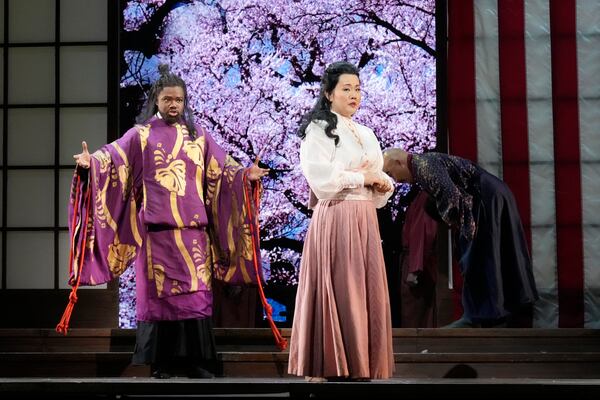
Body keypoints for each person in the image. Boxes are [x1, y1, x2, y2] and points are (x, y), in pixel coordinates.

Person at [60, 64, 269, 378]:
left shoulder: (199, 138)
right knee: (161, 304)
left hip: (193, 234)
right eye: (168, 99)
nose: (174, 105)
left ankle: (197, 363)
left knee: (196, 301)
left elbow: (223, 170)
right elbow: (112, 158)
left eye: (179, 100)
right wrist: (92, 162)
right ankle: (162, 365)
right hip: (156, 236)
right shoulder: (140, 135)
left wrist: (245, 176)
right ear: (155, 101)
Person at [287, 61, 395, 381]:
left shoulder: (366, 133)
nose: (354, 95)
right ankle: (328, 365)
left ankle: (359, 364)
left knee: (363, 291)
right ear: (328, 93)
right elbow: (322, 180)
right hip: (336, 215)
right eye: (346, 89)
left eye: (357, 89)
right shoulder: (319, 128)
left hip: (363, 217)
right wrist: (361, 176)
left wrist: (381, 184)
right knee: (341, 286)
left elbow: (374, 181)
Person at [382, 148, 539, 328]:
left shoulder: (422, 165)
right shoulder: (425, 164)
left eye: (390, 173)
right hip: (489, 194)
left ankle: (480, 315)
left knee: (477, 257)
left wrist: (465, 233)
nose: (394, 179)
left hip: (484, 197)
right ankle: (493, 311)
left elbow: (451, 198)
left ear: (399, 163)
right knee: (494, 253)